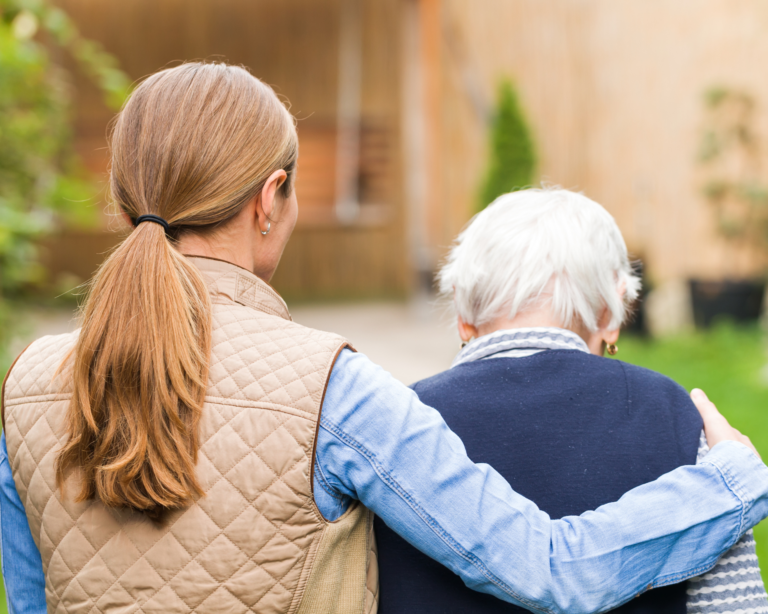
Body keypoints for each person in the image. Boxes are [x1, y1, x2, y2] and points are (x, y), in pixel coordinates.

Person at [1, 63, 767, 614]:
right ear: (272, 199)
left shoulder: (25, 385)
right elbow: (547, 569)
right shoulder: (329, 387)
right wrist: (730, 481)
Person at [375, 188, 768, 614]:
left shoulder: (398, 422)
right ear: (612, 313)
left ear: (462, 315)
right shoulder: (675, 414)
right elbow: (733, 604)